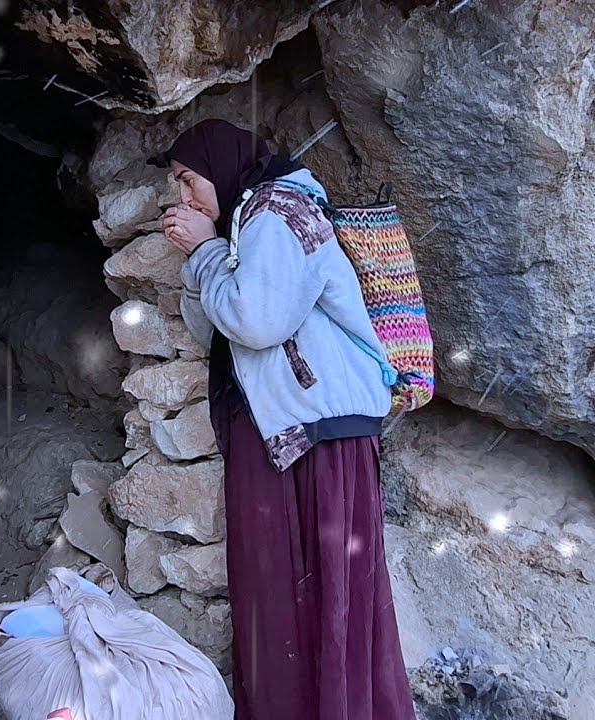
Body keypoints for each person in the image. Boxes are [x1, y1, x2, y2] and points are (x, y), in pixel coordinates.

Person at [155, 118, 418, 720]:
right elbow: (217, 333)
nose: (183, 197)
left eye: (188, 179)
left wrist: (204, 250)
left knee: (315, 594)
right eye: (177, 185)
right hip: (285, 431)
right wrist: (205, 261)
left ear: (220, 169)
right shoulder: (243, 229)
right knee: (287, 595)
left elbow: (257, 323)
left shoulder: (277, 211)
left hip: (316, 434)